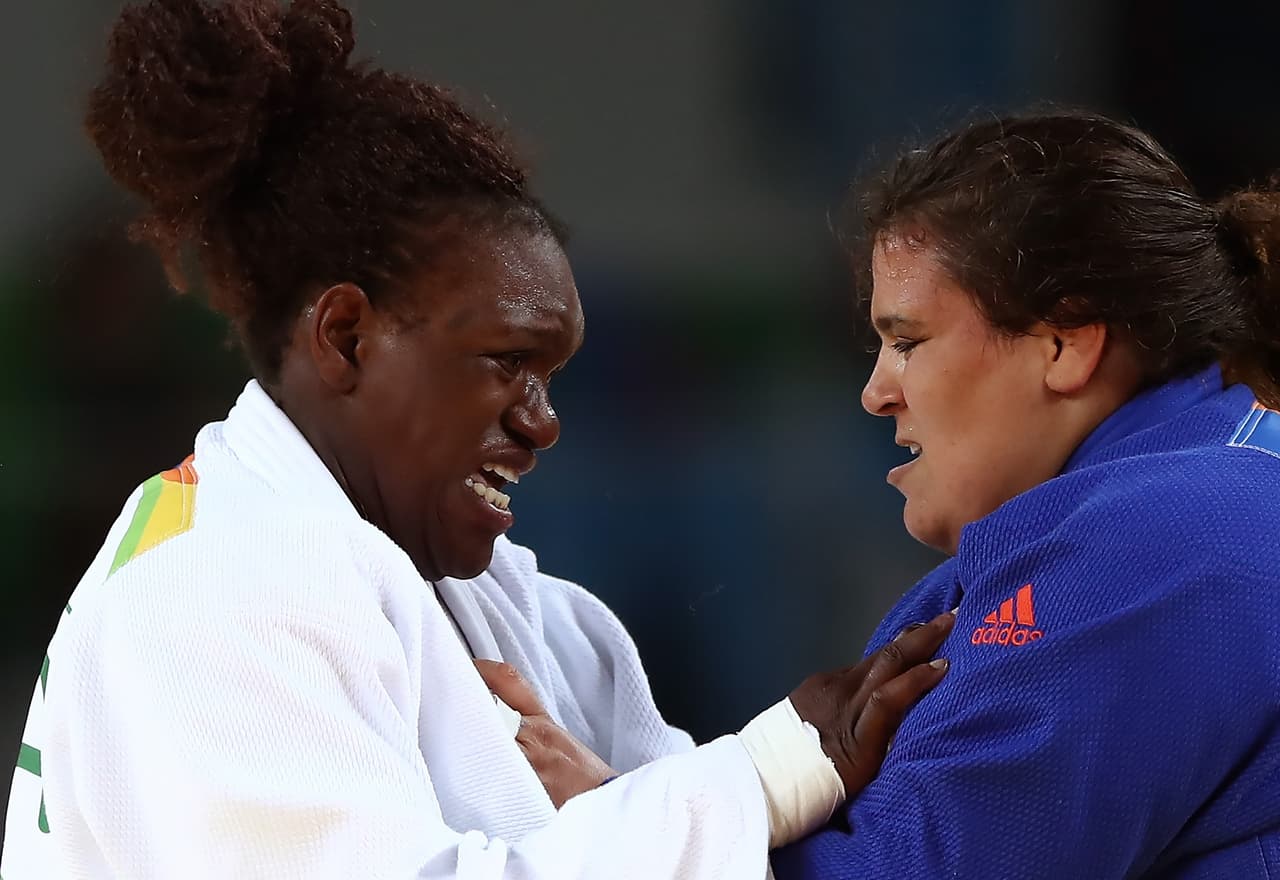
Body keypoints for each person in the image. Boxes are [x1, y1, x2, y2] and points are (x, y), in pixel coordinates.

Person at [1, 1, 955, 877]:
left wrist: (679, 798)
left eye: (553, 374)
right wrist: (771, 772)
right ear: (346, 338)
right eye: (507, 362)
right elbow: (716, 810)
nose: (542, 422)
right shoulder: (221, 585)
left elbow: (683, 826)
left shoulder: (510, 602)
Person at [769, 112, 1280, 879]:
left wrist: (651, 828)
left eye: (908, 342)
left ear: (1064, 343)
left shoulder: (1165, 538)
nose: (877, 392)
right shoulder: (1188, 502)